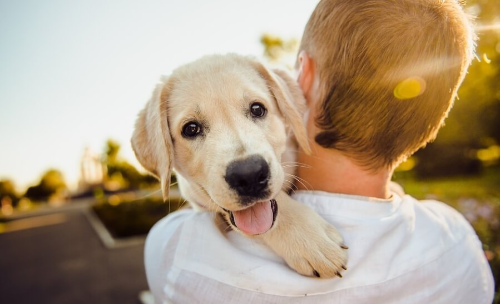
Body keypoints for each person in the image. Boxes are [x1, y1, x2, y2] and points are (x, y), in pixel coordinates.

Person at [144, 0, 495, 303]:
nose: (245, 160)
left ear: (302, 79)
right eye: (193, 129)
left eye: (256, 110)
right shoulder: (457, 242)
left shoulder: (176, 251)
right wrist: (280, 221)